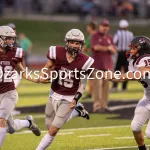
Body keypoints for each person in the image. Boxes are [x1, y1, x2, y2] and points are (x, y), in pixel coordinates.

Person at [36, 29, 94, 150]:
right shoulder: (56, 52)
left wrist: (76, 99)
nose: (74, 45)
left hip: (69, 96)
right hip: (54, 93)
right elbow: (47, 66)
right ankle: (77, 112)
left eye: (77, 43)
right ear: (66, 42)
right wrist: (43, 74)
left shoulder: (85, 61)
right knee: (48, 125)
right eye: (72, 42)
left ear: (82, 45)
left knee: (54, 129)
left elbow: (83, 84)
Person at [105, 36, 150, 150]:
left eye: (135, 48)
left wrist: (116, 76)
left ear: (143, 49)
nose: (132, 50)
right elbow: (129, 76)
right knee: (135, 127)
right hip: (148, 97)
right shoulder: (134, 61)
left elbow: (139, 74)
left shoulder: (146, 59)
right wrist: (114, 78)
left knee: (149, 134)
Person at [0, 26, 41, 148]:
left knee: (1, 120)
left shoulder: (15, 53)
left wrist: (37, 79)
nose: (10, 42)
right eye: (7, 39)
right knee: (11, 128)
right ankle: (28, 122)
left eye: (12, 39)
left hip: (8, 93)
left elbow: (22, 71)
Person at [91, 19, 116, 113]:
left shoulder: (110, 37)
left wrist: (109, 49)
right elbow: (95, 47)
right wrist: (108, 48)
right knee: (98, 85)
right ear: (100, 26)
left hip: (108, 65)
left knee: (106, 87)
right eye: (103, 26)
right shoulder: (95, 36)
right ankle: (96, 105)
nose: (105, 28)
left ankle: (104, 105)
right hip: (98, 65)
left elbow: (114, 50)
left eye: (107, 26)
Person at [111, 19, 134, 92]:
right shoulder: (130, 34)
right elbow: (132, 44)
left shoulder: (118, 33)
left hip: (120, 53)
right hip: (127, 53)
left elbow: (114, 42)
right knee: (126, 70)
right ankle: (124, 88)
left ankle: (115, 86)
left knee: (117, 70)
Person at [82, 21, 97, 99]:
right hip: (97, 60)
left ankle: (91, 93)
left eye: (88, 27)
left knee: (91, 78)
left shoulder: (91, 36)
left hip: (90, 60)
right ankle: (93, 92)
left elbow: (85, 48)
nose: (87, 28)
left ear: (91, 27)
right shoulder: (97, 35)